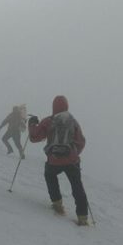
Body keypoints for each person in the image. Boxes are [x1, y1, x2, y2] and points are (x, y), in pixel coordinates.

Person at [28, 95, 89, 225]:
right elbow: (81, 142)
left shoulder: (49, 121)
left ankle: (57, 204)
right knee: (77, 185)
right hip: (72, 161)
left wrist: (32, 124)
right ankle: (83, 217)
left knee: (50, 175)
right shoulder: (73, 121)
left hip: (54, 160)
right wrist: (73, 154)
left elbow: (34, 137)